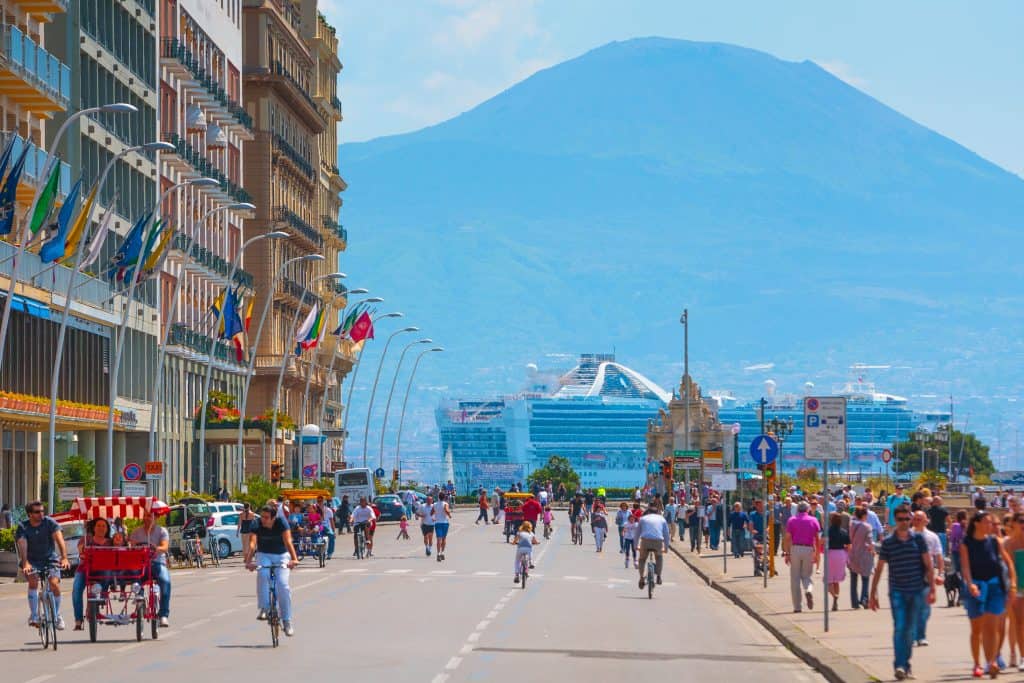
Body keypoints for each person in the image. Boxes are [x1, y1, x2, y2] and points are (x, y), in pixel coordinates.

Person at [869, 504, 936, 681]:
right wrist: (873, 593)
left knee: (910, 630)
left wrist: (933, 590)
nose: (905, 522)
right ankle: (899, 665)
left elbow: (928, 565)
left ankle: (906, 664)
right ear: (895, 520)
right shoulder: (889, 543)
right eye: (901, 519)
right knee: (900, 628)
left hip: (916, 590)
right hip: (897, 591)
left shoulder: (919, 540)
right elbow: (879, 568)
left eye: (907, 519)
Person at [960, 510, 1015, 678]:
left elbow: (1008, 563)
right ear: (976, 523)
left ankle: (991, 662)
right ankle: (977, 663)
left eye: (991, 522)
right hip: (976, 587)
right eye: (987, 522)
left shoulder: (995, 541)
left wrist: (1012, 584)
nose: (990, 525)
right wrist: (970, 584)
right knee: (977, 629)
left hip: (995, 587)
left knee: (992, 626)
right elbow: (966, 567)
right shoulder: (966, 543)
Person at [245, 505, 298, 637]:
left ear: (274, 518)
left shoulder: (281, 522)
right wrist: (248, 561)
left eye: (266, 517)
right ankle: (264, 608)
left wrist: (294, 559)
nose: (263, 519)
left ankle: (287, 621)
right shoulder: (256, 523)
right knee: (262, 574)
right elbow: (252, 543)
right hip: (264, 554)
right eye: (262, 516)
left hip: (281, 555)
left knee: (283, 585)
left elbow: (288, 541)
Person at [15, 501, 69, 629]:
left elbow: (59, 539)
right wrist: (25, 562)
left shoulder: (49, 522)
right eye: (37, 512)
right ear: (29, 514)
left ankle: (56, 615)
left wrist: (64, 558)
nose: (41, 514)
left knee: (54, 583)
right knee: (33, 581)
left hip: (50, 559)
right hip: (31, 560)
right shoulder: (23, 526)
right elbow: (22, 544)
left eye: (42, 511)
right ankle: (34, 615)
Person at [72, 517, 117, 630]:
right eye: (98, 525)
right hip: (85, 569)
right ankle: (78, 620)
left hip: (103, 571)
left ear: (107, 529)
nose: (101, 528)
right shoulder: (86, 539)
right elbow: (80, 549)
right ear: (93, 527)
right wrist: (83, 548)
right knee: (76, 589)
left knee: (108, 571)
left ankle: (103, 594)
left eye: (104, 526)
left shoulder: (110, 542)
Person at [128, 510, 171, 627]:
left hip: (157, 563)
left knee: (166, 582)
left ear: (155, 518)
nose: (147, 518)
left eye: (150, 516)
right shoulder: (136, 532)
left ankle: (163, 615)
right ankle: (140, 598)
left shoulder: (162, 531)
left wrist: (154, 548)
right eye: (145, 516)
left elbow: (165, 547)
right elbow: (132, 547)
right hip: (141, 564)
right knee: (133, 576)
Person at [912, 509, 945, 646]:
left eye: (920, 519)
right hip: (911, 575)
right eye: (916, 518)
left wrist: (941, 573)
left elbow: (938, 556)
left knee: (925, 608)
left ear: (926, 521)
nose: (918, 521)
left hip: (927, 575)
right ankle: (913, 636)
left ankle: (921, 635)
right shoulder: (907, 535)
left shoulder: (932, 537)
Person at [782, 501, 821, 613]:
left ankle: (797, 607)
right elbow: (817, 539)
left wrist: (787, 553)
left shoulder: (792, 520)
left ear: (798, 509)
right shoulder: (813, 520)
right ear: (808, 510)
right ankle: (808, 589)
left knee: (795, 578)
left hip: (795, 549)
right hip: (808, 549)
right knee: (806, 575)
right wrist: (817, 553)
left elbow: (787, 538)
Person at [1003, 512, 1024, 673]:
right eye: (1021, 521)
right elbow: (1006, 569)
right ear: (1014, 524)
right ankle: (1022, 657)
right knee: (1019, 623)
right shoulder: (1008, 543)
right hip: (1017, 589)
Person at [634, 503, 670, 589]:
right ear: (657, 512)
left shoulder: (643, 519)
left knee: (642, 559)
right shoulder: (662, 519)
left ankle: (642, 577)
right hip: (658, 541)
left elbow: (637, 534)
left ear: (648, 512)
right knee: (659, 557)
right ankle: (658, 576)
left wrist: (636, 546)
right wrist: (666, 548)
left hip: (645, 541)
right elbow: (666, 535)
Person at [847, 506, 875, 609]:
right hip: (864, 555)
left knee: (853, 580)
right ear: (863, 515)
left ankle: (854, 602)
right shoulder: (867, 527)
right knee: (865, 578)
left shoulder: (851, 525)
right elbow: (870, 542)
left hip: (852, 554)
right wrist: (873, 550)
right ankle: (864, 599)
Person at [826, 512, 851, 612]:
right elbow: (849, 546)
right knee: (836, 581)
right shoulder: (844, 532)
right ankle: (835, 601)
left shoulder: (828, 531)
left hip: (830, 554)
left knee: (828, 581)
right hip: (841, 555)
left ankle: (834, 596)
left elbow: (822, 541)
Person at [432, 492, 452, 561]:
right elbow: (446, 510)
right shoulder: (445, 504)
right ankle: (442, 552)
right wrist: (449, 514)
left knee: (438, 539)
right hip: (444, 523)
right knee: (443, 539)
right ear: (444, 497)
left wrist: (434, 517)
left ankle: (438, 554)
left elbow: (431, 513)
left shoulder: (434, 504)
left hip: (437, 523)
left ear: (438, 497)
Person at [749, 499, 766, 577]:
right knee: (756, 553)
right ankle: (757, 570)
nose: (760, 507)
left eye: (761, 505)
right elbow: (751, 523)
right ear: (756, 506)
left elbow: (770, 524)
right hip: (756, 536)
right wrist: (752, 530)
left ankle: (763, 566)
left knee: (766, 552)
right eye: (758, 505)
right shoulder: (752, 514)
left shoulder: (767, 513)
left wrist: (768, 529)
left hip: (765, 536)